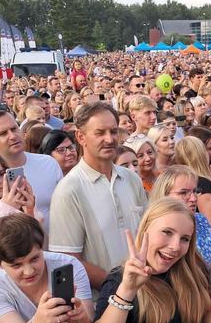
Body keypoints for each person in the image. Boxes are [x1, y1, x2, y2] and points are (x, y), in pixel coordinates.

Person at [49, 102, 147, 291]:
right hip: (105, 303)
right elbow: (68, 260)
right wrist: (121, 287)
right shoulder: (69, 190)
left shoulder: (131, 178)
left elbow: (146, 230)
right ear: (80, 137)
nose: (109, 139)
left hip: (146, 294)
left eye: (113, 131)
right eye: (100, 133)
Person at [0, 109, 62, 235]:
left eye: (14, 129)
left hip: (58, 249)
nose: (12, 136)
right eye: (3, 133)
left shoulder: (48, 163)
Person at [150, 166, 211, 265]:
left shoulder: (200, 219)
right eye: (183, 193)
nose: (193, 198)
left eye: (195, 191)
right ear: (164, 195)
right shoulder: (157, 227)